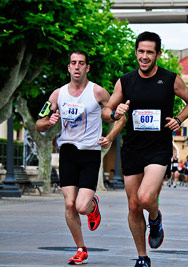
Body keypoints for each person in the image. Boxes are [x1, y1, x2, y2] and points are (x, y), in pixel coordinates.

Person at [102, 31, 188, 267]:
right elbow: (106, 111)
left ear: (158, 54)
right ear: (136, 52)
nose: (144, 56)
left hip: (158, 149)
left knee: (145, 198)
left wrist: (178, 119)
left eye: (149, 52)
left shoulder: (169, 79)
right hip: (133, 149)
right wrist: (115, 113)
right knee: (134, 205)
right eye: (141, 51)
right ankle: (143, 257)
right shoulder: (125, 81)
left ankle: (155, 219)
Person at [35, 50, 126, 265]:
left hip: (90, 153)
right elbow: (39, 124)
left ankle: (92, 205)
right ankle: (81, 249)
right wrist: (48, 122)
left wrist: (110, 136)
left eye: (81, 63)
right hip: (67, 151)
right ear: (68, 68)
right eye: (73, 63)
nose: (77, 67)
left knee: (81, 207)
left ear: (87, 68)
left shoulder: (98, 92)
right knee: (69, 205)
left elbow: (118, 117)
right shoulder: (57, 95)